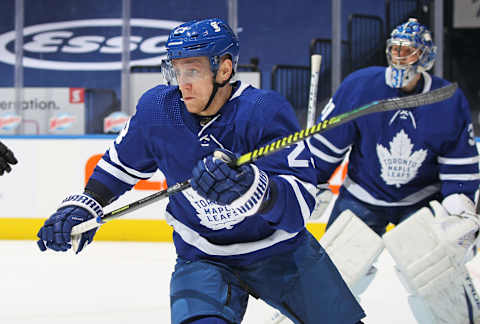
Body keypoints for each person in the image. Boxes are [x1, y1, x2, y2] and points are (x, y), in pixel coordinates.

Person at [36, 18, 365, 324]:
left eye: (192, 71)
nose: (182, 84)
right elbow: (117, 167)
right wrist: (84, 204)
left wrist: (253, 189)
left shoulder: (264, 111)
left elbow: (299, 208)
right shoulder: (158, 111)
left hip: (281, 251)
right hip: (203, 256)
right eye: (176, 71)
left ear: (223, 69)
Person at [307, 18, 480, 323]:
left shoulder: (448, 99)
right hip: (363, 194)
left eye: (409, 51)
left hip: (420, 199)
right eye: (396, 50)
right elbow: (328, 143)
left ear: (425, 56)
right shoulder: (360, 87)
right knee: (334, 274)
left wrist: (460, 206)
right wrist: (310, 181)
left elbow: (459, 161)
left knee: (439, 276)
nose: (400, 57)